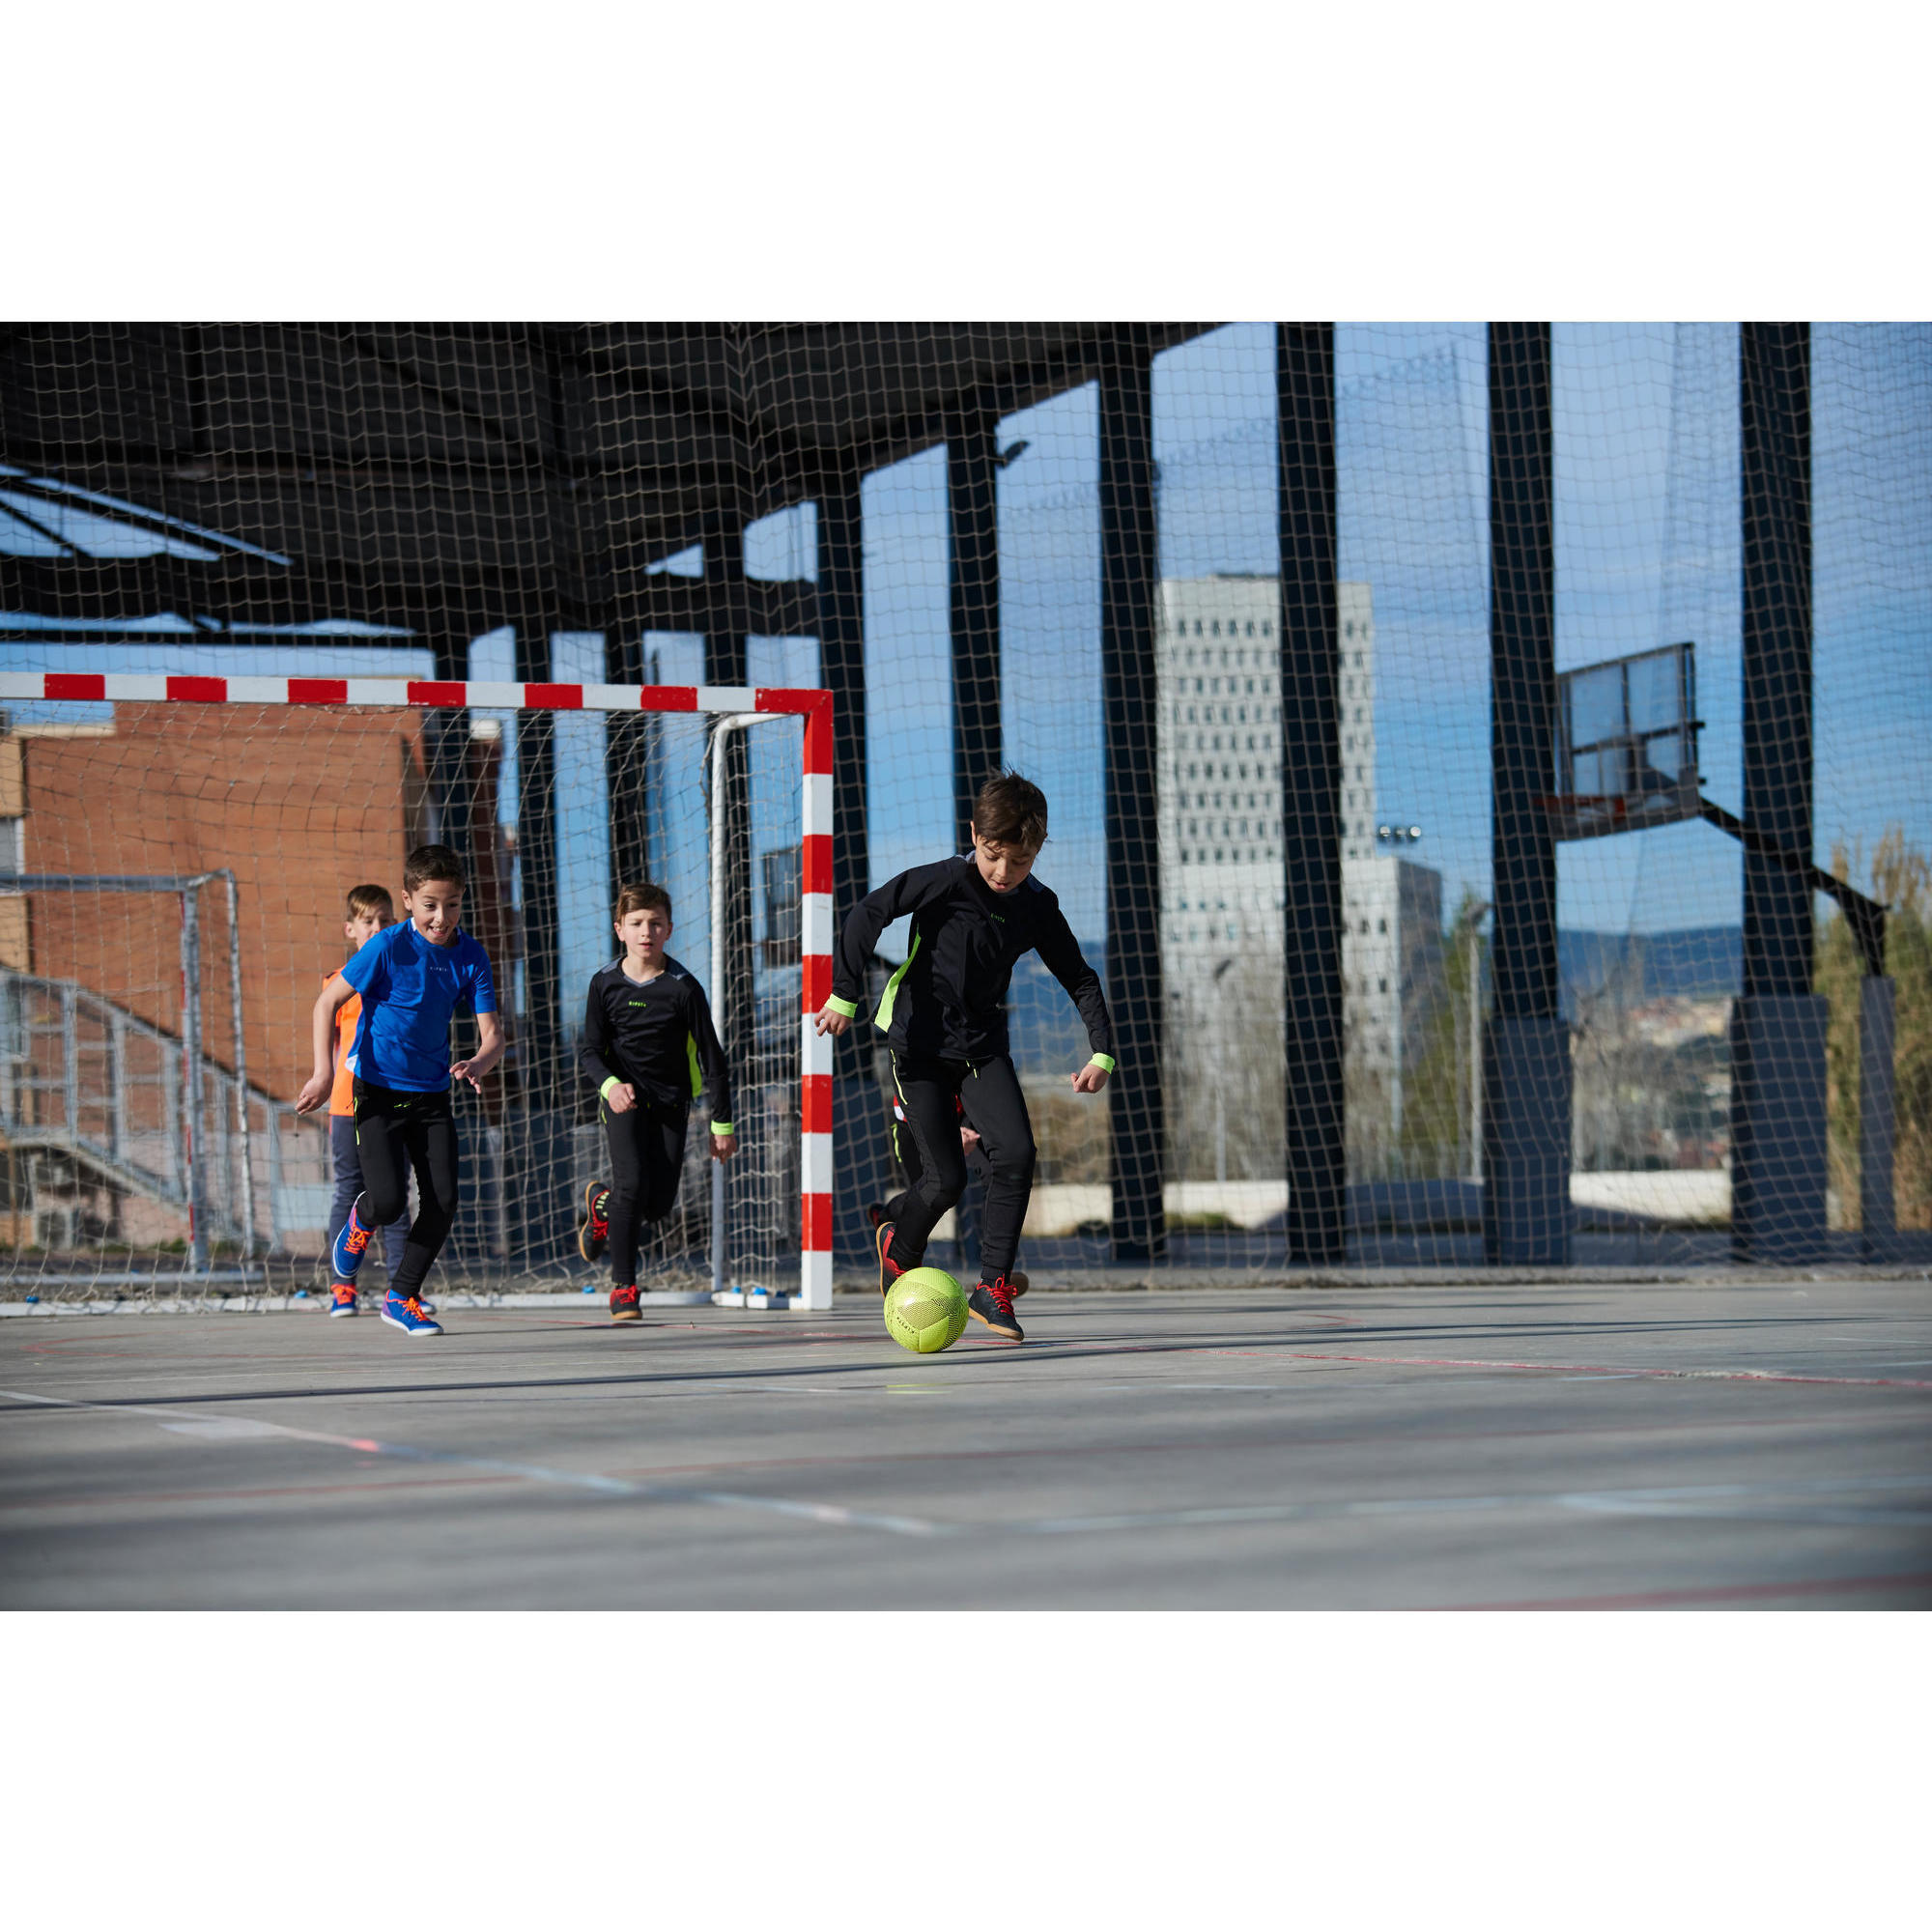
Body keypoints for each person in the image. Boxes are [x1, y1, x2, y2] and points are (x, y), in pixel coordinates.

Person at [816, 773, 1111, 1342]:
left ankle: (991, 1286)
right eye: (994, 855)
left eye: (1020, 862)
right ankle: (898, 1250)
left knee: (1018, 1152)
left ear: (1038, 851)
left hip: (980, 1047)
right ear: (974, 835)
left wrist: (1102, 1051)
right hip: (918, 1048)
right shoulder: (944, 881)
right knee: (945, 1180)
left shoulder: (1036, 906)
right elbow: (866, 914)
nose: (1004, 873)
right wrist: (844, 994)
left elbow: (1079, 976)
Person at [295, 843, 503, 1337]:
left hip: (431, 1095)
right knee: (387, 1202)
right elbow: (326, 1004)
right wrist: (324, 1075)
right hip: (378, 1091)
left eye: (452, 904)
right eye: (430, 904)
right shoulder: (387, 947)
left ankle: (401, 1296)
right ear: (409, 899)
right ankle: (359, 1224)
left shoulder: (471, 955)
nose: (441, 917)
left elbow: (493, 1035)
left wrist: (480, 1060)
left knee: (443, 1199)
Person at [576, 882, 735, 1323]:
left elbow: (711, 1056)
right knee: (631, 1186)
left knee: (658, 1205)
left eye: (655, 923)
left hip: (671, 1102)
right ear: (619, 929)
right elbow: (589, 1050)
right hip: (622, 1101)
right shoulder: (604, 983)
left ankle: (601, 1206)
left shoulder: (684, 988)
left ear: (669, 930)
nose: (646, 931)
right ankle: (624, 1288)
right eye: (636, 923)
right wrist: (609, 1085)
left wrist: (722, 1124)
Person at [320, 885, 414, 1318]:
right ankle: (343, 1287)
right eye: (368, 921)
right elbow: (329, 1039)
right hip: (346, 1103)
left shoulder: (405, 977)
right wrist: (321, 1077)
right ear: (351, 929)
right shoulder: (338, 983)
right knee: (349, 1190)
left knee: (394, 1192)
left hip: (394, 1100)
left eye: (385, 920)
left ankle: (402, 1287)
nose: (377, 928)